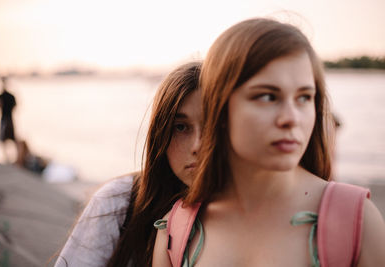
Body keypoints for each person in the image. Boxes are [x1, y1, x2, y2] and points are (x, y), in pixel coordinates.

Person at [153, 18, 385, 266]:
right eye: (267, 96)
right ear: (219, 108)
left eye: (304, 97)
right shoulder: (177, 231)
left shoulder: (355, 221)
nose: (291, 118)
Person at [54, 61, 202, 267]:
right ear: (160, 134)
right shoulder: (119, 201)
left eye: (211, 126)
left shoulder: (247, 210)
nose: (198, 145)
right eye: (180, 127)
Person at [0, 76, 17, 162]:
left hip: (5, 119)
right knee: (11, 139)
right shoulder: (10, 96)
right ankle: (10, 158)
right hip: (10, 118)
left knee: (4, 139)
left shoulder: (2, 96)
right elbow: (15, 105)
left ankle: (8, 158)